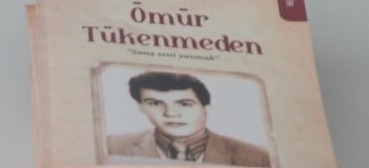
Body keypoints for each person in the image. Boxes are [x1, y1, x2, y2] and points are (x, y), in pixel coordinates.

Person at [103, 71, 271, 165]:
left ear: (206, 108)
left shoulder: (257, 156)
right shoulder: (111, 146)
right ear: (141, 108)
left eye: (184, 104)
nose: (171, 113)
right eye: (155, 103)